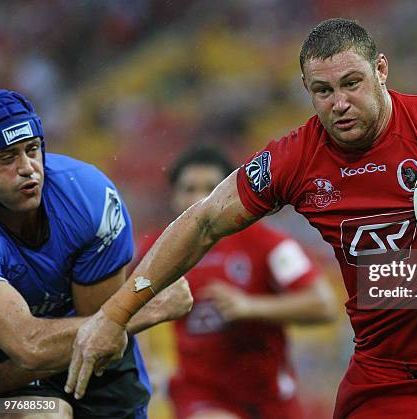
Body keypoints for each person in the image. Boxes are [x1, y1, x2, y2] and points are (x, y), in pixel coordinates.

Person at [66, 18, 417, 418]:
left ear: (381, 70)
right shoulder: (295, 159)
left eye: (353, 83)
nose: (340, 103)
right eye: (323, 91)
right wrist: (113, 316)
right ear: (307, 90)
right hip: (379, 381)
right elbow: (202, 222)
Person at [0, 88, 194, 419]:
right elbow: (29, 347)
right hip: (9, 375)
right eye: (7, 158)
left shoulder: (88, 198)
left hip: (73, 352)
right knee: (44, 414)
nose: (28, 168)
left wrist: (110, 324)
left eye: (32, 150)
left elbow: (100, 343)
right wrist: (147, 309)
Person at [136, 146, 336, 419]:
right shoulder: (156, 250)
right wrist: (142, 361)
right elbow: (123, 305)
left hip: (270, 397)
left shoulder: (268, 243)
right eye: (189, 189)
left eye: (211, 188)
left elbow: (324, 304)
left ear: (229, 194)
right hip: (200, 394)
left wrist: (250, 307)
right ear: (174, 197)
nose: (200, 199)